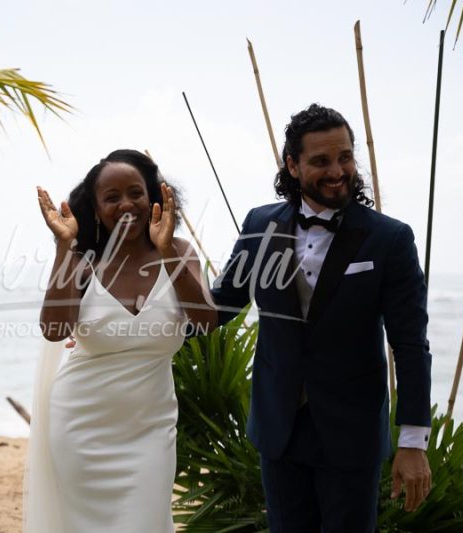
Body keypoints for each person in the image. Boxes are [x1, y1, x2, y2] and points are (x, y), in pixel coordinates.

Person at [211, 104, 433, 531]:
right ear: (292, 166)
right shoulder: (260, 223)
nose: (337, 170)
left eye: (345, 157)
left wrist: (412, 442)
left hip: (351, 433)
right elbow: (223, 303)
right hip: (279, 428)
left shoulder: (390, 239)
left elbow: (409, 344)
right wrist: (138, 330)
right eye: (321, 161)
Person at [24, 149, 217, 532]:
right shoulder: (81, 263)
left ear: (153, 198)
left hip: (150, 432)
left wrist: (164, 252)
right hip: (80, 429)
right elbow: (54, 330)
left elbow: (206, 322)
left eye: (135, 192)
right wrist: (64, 247)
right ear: (95, 210)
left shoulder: (179, 253)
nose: (126, 204)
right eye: (111, 198)